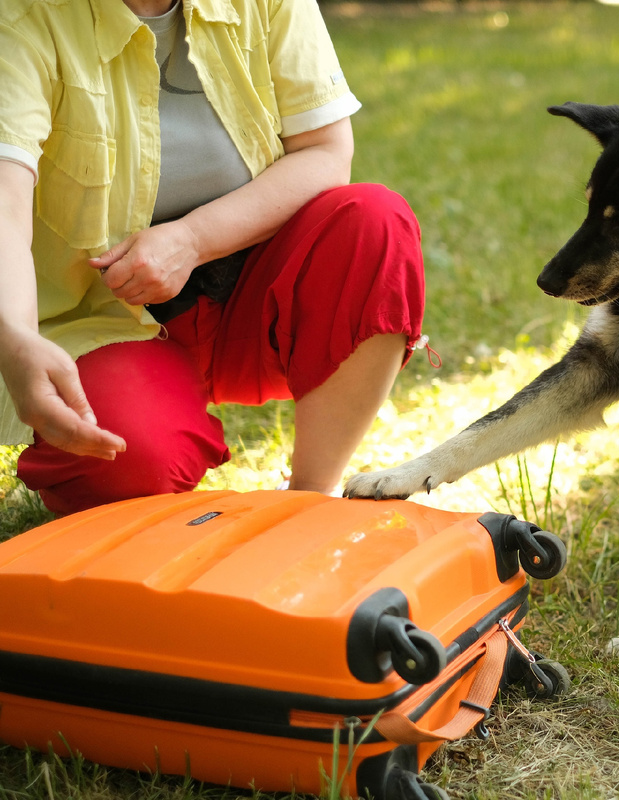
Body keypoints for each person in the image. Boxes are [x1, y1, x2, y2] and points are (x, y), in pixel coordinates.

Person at [0, 0, 425, 515]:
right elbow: (6, 207)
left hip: (247, 298)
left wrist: (192, 239)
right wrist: (16, 338)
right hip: (97, 321)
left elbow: (325, 151)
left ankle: (312, 501)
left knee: (374, 219)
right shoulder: (22, 19)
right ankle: (144, 415)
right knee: (132, 458)